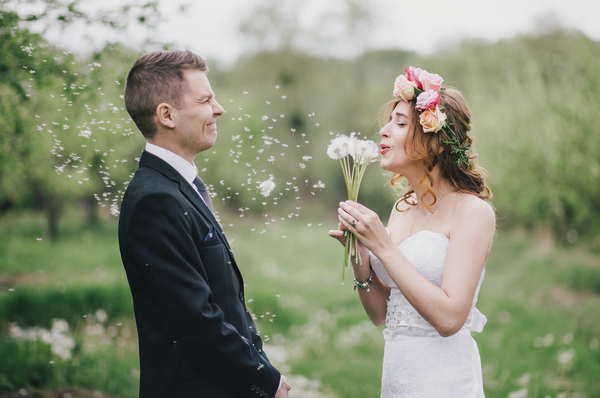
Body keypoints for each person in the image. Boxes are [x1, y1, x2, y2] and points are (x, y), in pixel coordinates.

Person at [118, 50, 291, 398]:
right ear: (166, 115)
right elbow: (196, 319)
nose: (219, 108)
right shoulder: (156, 200)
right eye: (206, 99)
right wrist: (264, 380)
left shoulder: (178, 188)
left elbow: (226, 301)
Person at [329, 66, 495, 397]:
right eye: (388, 122)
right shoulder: (402, 209)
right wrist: (361, 254)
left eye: (401, 123)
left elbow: (449, 320)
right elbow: (381, 314)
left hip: (445, 382)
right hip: (398, 380)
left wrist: (384, 247)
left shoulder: (472, 212)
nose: (384, 131)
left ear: (435, 139)